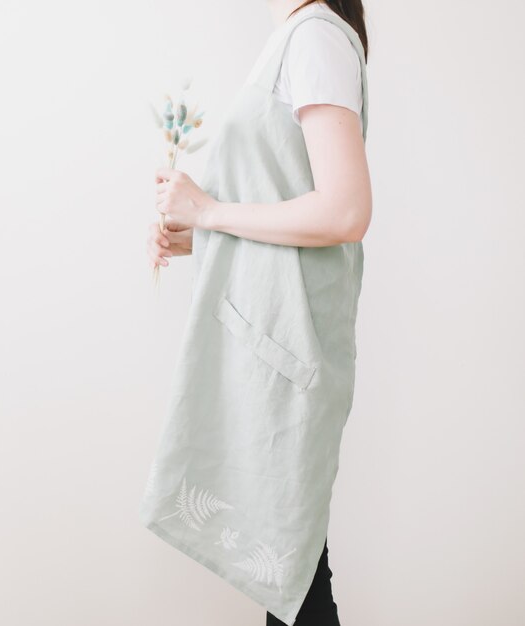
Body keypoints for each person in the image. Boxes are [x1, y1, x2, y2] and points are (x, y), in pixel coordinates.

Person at [142, 2, 371, 624]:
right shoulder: (295, 39)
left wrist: (210, 212)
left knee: (296, 586)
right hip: (274, 349)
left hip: (287, 356)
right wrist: (200, 235)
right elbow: (292, 200)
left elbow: (346, 211)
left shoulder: (314, 39)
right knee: (296, 585)